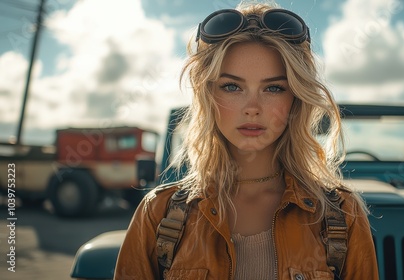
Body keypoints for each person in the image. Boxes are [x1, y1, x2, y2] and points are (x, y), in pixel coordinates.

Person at [115, 2, 378, 279]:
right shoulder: (158, 213)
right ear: (208, 96)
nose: (252, 107)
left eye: (273, 88)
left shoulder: (342, 215)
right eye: (232, 86)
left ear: (296, 100)